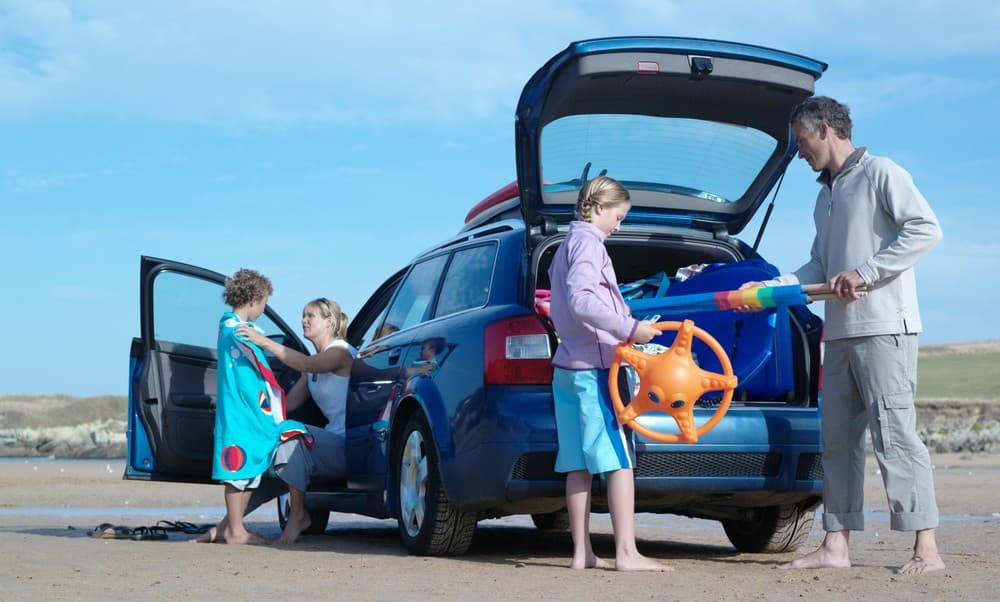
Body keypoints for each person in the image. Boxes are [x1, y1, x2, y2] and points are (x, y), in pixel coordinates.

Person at [739, 96, 944, 574]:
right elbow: (819, 266)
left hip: (886, 329)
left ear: (826, 129)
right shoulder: (823, 195)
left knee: (896, 438)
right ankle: (836, 546)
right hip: (840, 334)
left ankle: (926, 550)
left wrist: (867, 272)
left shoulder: (882, 173)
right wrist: (770, 288)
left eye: (802, 141)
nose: (799, 151)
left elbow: (925, 230)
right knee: (837, 442)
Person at [546, 175, 669, 572]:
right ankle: (627, 553)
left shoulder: (565, 245)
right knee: (618, 460)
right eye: (618, 216)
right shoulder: (588, 244)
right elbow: (582, 301)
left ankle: (582, 553)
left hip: (567, 366)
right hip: (595, 370)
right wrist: (632, 330)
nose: (620, 225)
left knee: (578, 463)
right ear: (598, 208)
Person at [208, 268, 312, 545]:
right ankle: (235, 531)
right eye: (264, 302)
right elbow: (255, 353)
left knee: (247, 468)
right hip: (243, 411)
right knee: (237, 468)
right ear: (254, 299)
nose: (264, 309)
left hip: (244, 411)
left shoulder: (228, 328)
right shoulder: (237, 331)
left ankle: (233, 527)